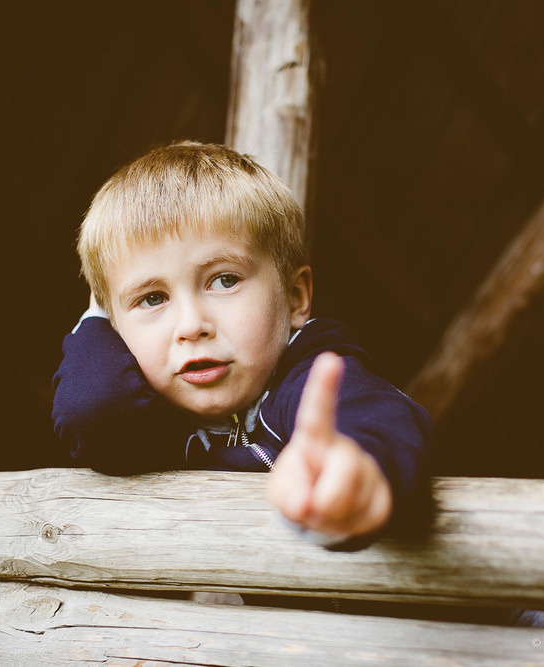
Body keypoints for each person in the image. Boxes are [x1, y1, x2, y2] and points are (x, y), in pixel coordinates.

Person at [52, 141, 431, 546]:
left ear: (295, 298)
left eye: (225, 280)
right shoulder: (154, 416)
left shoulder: (314, 375)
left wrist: (359, 468)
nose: (192, 325)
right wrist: (97, 315)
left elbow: (375, 418)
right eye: (152, 298)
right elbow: (92, 409)